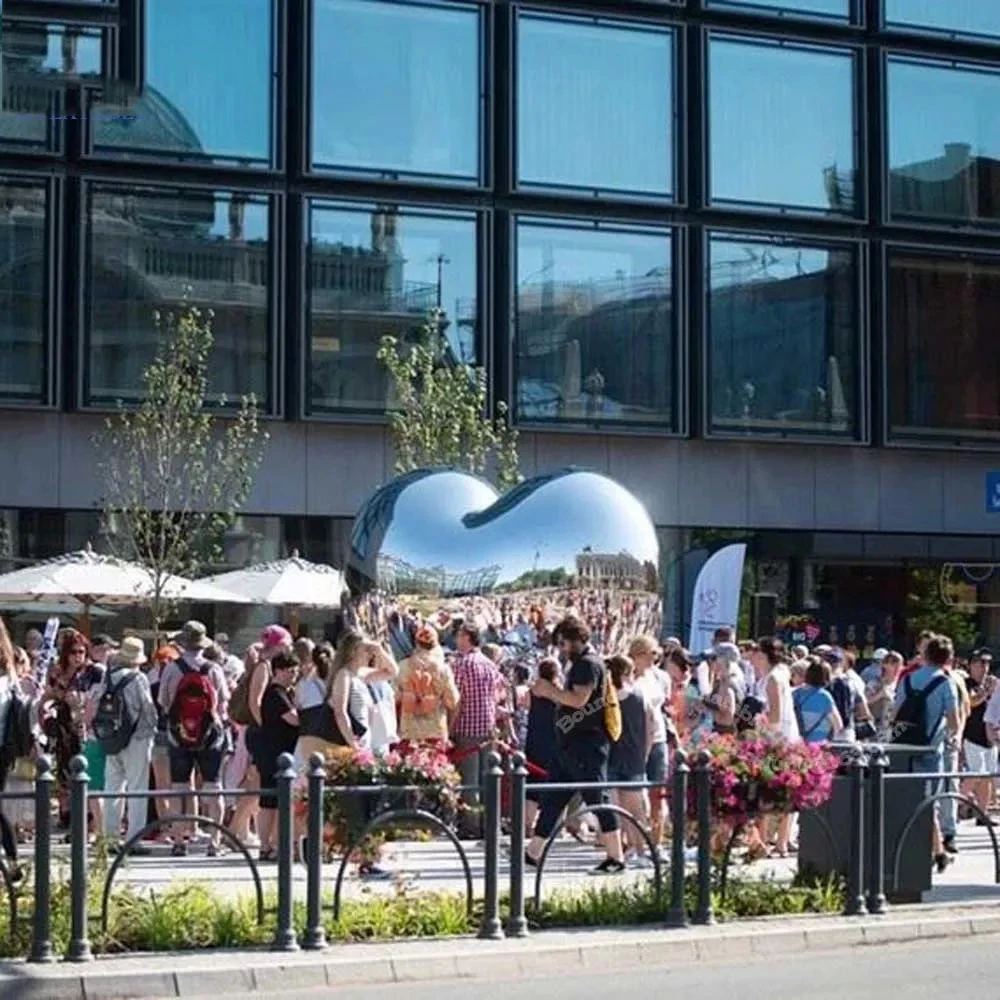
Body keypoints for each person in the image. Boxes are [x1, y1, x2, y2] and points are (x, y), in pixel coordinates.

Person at [527, 616, 625, 876]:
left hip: (586, 745)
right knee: (553, 797)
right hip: (571, 744)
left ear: (577, 640)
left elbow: (579, 700)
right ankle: (533, 852)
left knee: (598, 797)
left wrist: (549, 691)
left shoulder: (587, 665)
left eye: (564, 643)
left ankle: (616, 857)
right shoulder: (586, 664)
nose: (561, 649)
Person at [158, 621, 230, 857]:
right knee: (213, 787)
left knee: (179, 787)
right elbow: (222, 702)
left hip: (178, 734)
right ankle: (214, 841)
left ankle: (179, 840)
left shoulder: (171, 669)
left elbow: (164, 701)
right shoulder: (214, 669)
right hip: (211, 735)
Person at [892, 634, 960, 872]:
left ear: (925, 655)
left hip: (904, 748)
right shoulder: (945, 682)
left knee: (909, 800)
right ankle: (934, 850)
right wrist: (951, 738)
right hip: (931, 749)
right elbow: (954, 721)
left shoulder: (908, 680)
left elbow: (894, 715)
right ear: (948, 658)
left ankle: (933, 850)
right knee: (930, 803)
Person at [88, 637, 158, 854]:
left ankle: (110, 837)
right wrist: (152, 734)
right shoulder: (138, 678)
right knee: (137, 789)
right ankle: (133, 839)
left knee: (113, 788)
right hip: (136, 739)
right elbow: (147, 710)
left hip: (111, 738)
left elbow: (97, 702)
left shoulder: (108, 677)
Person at [257, 651, 300, 861]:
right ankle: (265, 845)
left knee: (275, 802)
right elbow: (293, 719)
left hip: (281, 753)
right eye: (291, 671)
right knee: (269, 802)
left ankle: (271, 844)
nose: (294, 675)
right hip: (274, 754)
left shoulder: (286, 692)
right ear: (278, 671)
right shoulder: (276, 694)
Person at [396, 624, 459, 743]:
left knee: (409, 762)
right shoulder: (443, 669)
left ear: (416, 642)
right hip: (435, 732)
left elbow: (394, 697)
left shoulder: (402, 666)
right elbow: (452, 702)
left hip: (409, 733)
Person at [791, 659, 843, 744]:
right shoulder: (824, 696)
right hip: (819, 745)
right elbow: (838, 724)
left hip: (798, 744)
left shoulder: (795, 694)